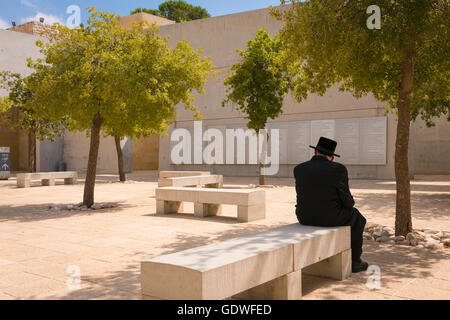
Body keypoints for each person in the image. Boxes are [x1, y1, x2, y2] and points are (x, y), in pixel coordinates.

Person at [294, 137, 369, 273]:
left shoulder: (299, 169)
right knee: (358, 218)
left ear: (315, 152)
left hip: (304, 216)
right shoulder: (338, 169)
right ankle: (355, 262)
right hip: (330, 218)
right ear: (332, 157)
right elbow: (348, 202)